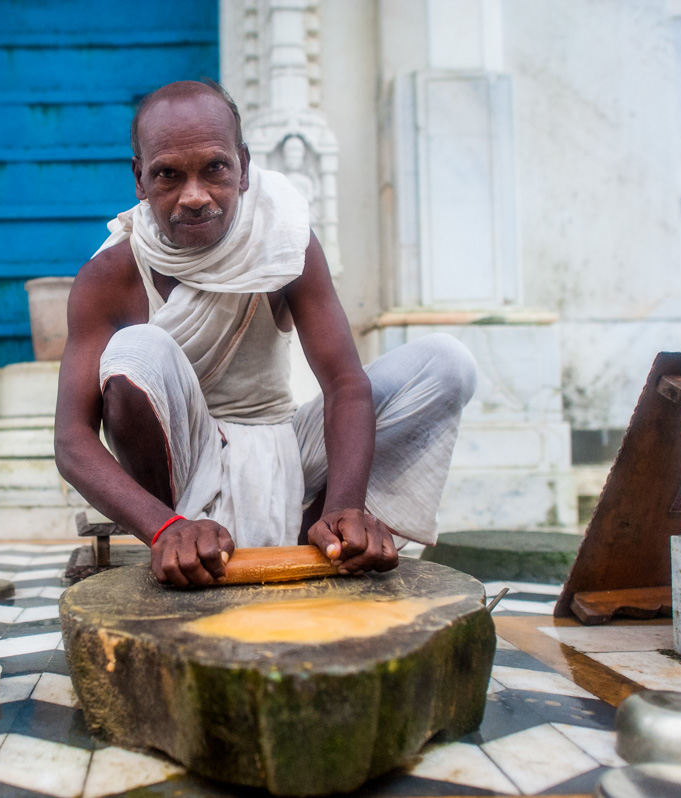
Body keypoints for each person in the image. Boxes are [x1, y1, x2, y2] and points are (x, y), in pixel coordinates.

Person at [54, 80, 477, 588]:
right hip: (179, 477)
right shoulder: (109, 275)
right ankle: (182, 540)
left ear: (244, 167)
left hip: (282, 444)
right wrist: (163, 526)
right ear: (140, 179)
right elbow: (72, 440)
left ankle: (323, 536)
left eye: (215, 168)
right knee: (136, 350)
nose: (195, 196)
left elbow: (345, 383)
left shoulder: (282, 243)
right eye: (168, 175)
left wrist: (344, 506)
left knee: (447, 362)